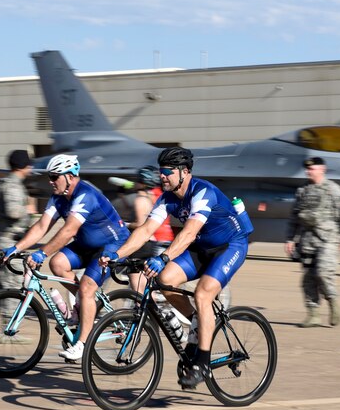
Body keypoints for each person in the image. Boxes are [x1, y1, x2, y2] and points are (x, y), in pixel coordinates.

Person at [102, 147, 253, 389]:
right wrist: (116, 254)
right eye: (161, 171)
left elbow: (190, 231)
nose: (162, 176)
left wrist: (163, 257)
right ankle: (196, 322)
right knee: (165, 280)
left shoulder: (203, 192)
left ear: (184, 172)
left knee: (203, 294)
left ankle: (202, 364)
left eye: (166, 172)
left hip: (230, 245)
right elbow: (145, 230)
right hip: (202, 247)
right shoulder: (167, 198)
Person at [3, 153, 130, 361]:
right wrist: (15, 248)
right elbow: (42, 226)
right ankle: (83, 307)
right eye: (49, 177)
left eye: (55, 177)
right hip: (87, 243)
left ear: (70, 176)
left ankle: (82, 344)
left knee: (87, 287)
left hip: (112, 245)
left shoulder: (85, 195)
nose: (51, 181)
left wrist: (42, 252)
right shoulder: (59, 197)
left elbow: (69, 231)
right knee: (58, 263)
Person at [285, 156, 340, 328]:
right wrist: (290, 239)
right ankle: (313, 314)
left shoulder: (332, 189)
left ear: (322, 169)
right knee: (308, 279)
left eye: (312, 168)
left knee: (323, 272)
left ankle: (332, 301)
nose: (309, 171)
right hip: (307, 240)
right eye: (307, 169)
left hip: (328, 239)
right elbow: (294, 217)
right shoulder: (302, 191)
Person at [0, 149, 34, 305]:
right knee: (13, 291)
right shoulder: (13, 185)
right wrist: (28, 210)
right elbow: (13, 212)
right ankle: (9, 328)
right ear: (23, 166)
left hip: (2, 240)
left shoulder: (3, 183)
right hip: (10, 242)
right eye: (29, 165)